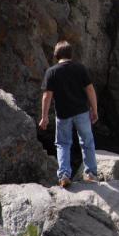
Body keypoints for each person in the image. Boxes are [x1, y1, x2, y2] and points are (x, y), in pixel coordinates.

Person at [38, 41, 99, 188]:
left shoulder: (52, 72)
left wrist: (44, 116)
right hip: (82, 112)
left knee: (63, 144)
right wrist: (94, 110)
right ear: (71, 54)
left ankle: (64, 175)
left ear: (56, 55)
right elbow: (90, 90)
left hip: (63, 114)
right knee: (87, 142)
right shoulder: (80, 68)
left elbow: (47, 96)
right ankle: (90, 174)